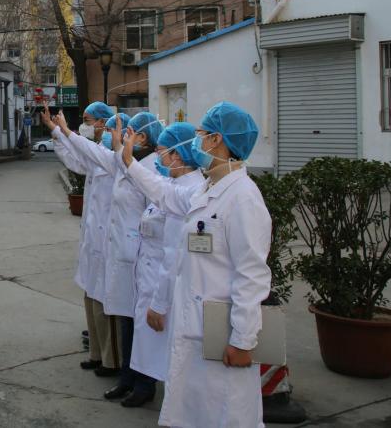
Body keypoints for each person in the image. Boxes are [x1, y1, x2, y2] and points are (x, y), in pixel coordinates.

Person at [119, 102, 271, 428]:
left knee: (225, 413)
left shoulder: (243, 197)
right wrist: (130, 164)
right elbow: (165, 194)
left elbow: (252, 275)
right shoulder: (207, 188)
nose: (196, 141)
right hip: (195, 326)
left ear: (216, 139)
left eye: (201, 134)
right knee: (192, 410)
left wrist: (243, 340)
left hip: (221, 331)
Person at [58, 110, 163, 407]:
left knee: (141, 326)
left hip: (142, 258)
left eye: (128, 132)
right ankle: (127, 378)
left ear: (143, 137)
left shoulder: (152, 169)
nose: (120, 136)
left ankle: (144, 384)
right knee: (127, 321)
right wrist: (62, 131)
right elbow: (90, 152)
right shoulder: (125, 161)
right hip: (122, 255)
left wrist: (65, 131)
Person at [126, 121, 205, 400]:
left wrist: (159, 303)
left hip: (165, 288)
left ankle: (155, 393)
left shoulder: (192, 189)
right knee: (155, 351)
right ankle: (145, 387)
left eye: (161, 151)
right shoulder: (175, 182)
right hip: (152, 279)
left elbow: (174, 254)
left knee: (170, 357)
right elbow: (159, 190)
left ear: (177, 155)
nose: (157, 157)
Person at [42, 102, 121, 375]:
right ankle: (98, 354)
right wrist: (56, 132)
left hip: (109, 244)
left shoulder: (113, 159)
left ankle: (111, 361)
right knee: (92, 299)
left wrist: (64, 130)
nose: (87, 125)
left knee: (105, 304)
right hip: (93, 243)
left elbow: (84, 148)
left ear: (103, 122)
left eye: (89, 120)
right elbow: (74, 159)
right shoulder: (98, 156)